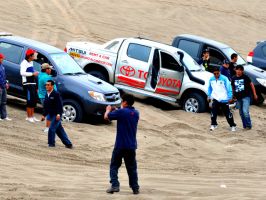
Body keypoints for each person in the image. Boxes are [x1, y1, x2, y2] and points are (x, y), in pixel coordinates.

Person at [104, 94, 140, 195]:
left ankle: (115, 185)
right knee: (132, 168)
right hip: (131, 146)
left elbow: (106, 117)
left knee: (114, 166)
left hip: (120, 145)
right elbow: (125, 113)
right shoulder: (136, 113)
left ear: (124, 102)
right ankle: (135, 188)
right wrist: (117, 109)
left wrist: (108, 109)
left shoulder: (121, 112)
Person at [41, 80, 73, 148]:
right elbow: (46, 106)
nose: (46, 86)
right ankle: (68, 144)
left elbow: (60, 105)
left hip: (57, 115)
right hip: (51, 114)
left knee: (52, 128)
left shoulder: (56, 94)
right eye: (46, 85)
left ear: (52, 86)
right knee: (59, 130)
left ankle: (51, 144)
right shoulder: (47, 94)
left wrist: (58, 114)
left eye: (48, 85)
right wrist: (44, 115)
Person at [207, 66, 237, 131]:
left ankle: (232, 125)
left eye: (217, 73)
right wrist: (208, 96)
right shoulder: (211, 79)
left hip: (224, 99)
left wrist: (230, 97)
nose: (216, 75)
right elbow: (209, 88)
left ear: (219, 72)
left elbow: (229, 88)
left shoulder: (224, 78)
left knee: (227, 114)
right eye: (214, 74)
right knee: (213, 113)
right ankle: (214, 124)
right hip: (216, 98)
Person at [232, 65, 257, 130]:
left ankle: (249, 125)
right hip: (238, 98)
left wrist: (254, 94)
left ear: (242, 71)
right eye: (237, 69)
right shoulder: (233, 78)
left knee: (245, 111)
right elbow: (232, 87)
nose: (239, 71)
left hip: (246, 97)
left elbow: (252, 85)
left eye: (240, 70)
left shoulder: (245, 77)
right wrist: (232, 96)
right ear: (235, 70)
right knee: (241, 112)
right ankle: (244, 125)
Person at [20, 49, 39, 123]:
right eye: (33, 55)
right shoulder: (24, 63)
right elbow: (22, 73)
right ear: (29, 56)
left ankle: (32, 116)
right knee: (29, 100)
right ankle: (29, 117)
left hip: (33, 83)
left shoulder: (31, 62)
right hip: (27, 84)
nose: (34, 56)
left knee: (34, 100)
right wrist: (32, 74)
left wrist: (34, 73)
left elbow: (31, 72)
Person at [38, 63, 57, 133]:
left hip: (42, 96)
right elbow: (51, 88)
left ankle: (48, 127)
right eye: (49, 69)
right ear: (47, 69)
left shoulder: (41, 75)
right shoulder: (46, 78)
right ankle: (48, 128)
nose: (50, 70)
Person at [0, 53, 11, 121]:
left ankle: (4, 116)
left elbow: (3, 76)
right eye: (1, 58)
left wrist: (6, 83)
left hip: (3, 86)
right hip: (0, 87)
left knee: (3, 101)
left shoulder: (2, 66)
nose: (2, 59)